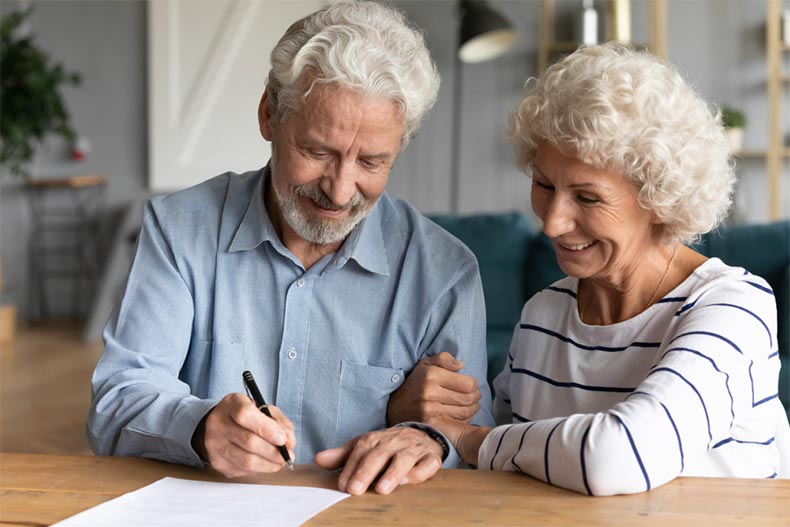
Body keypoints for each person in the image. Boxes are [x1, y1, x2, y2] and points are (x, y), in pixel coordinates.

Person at [86, 1, 494, 496]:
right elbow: (116, 401)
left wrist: (426, 435)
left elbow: (473, 442)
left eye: (371, 162)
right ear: (268, 116)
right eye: (317, 152)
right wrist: (197, 427)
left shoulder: (445, 272)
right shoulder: (178, 231)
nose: (340, 191)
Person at [408, 43, 790, 495]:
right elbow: (507, 464)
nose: (552, 222)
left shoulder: (734, 308)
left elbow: (618, 457)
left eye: (587, 198)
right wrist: (424, 412)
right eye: (544, 185)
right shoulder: (542, 316)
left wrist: (470, 439)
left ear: (658, 198)